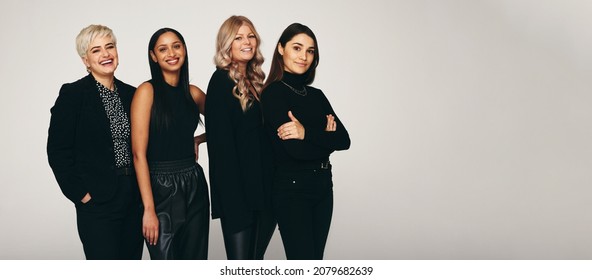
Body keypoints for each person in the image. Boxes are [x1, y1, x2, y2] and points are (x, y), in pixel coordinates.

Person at [47, 24, 143, 259]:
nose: (106, 54)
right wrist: (82, 195)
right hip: (98, 202)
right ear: (86, 60)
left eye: (109, 47)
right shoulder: (73, 95)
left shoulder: (133, 94)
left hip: (133, 198)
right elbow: (58, 152)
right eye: (96, 50)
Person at [261, 23, 351, 260]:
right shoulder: (273, 93)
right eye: (297, 48)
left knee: (316, 262)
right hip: (292, 189)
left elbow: (344, 139)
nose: (304, 56)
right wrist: (324, 139)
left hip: (323, 185)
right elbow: (295, 152)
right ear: (281, 49)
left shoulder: (317, 95)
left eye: (310, 51)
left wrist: (306, 133)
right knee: (303, 263)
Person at [131, 27, 209, 259]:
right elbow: (138, 154)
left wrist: (200, 138)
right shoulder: (147, 91)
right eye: (163, 49)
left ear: (184, 49)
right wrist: (148, 209)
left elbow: (228, 125)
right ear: (153, 56)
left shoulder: (193, 94)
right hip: (160, 187)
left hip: (194, 183)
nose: (171, 53)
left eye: (176, 46)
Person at [205, 15, 276, 260]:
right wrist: (234, 202)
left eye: (251, 36)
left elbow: (250, 132)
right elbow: (221, 146)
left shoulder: (255, 81)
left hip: (261, 190)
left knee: (255, 264)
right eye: (238, 37)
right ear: (227, 44)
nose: (247, 42)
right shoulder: (220, 82)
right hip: (238, 195)